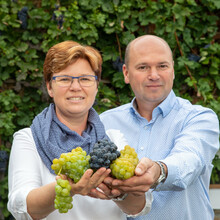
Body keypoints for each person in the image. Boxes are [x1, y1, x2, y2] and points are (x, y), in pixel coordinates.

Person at [7, 41, 152, 220]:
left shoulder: (113, 139)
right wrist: (68, 189)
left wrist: (118, 191)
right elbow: (22, 208)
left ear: (96, 86)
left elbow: (137, 207)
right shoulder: (28, 139)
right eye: (64, 79)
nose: (76, 87)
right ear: (49, 87)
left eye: (85, 79)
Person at [100, 35, 220, 220]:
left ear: (172, 70)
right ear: (126, 73)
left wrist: (160, 171)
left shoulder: (199, 118)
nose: (154, 75)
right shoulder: (105, 123)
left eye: (162, 66)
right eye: (143, 67)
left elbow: (190, 159)